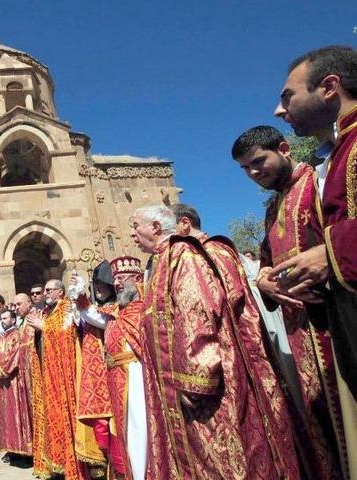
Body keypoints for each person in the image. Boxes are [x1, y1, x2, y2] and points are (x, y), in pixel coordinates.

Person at [130, 205, 301, 479]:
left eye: (135, 225)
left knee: (222, 458)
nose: (132, 234)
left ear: (156, 227)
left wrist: (196, 379)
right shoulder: (162, 261)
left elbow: (196, 310)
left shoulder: (182, 255)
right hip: (174, 392)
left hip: (200, 392)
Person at [232, 125, 347, 478]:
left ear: (284, 148)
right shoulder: (272, 209)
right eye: (246, 169)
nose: (253, 174)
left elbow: (342, 240)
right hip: (300, 335)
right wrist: (264, 280)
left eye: (258, 162)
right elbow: (266, 263)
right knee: (320, 423)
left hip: (334, 325)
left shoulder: (317, 183)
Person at [271, 46, 357, 477]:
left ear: (329, 87)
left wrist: (332, 251)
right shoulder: (336, 152)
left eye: (287, 97)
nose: (279, 108)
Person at [80, 258, 147, 480]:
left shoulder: (144, 309)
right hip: (118, 382)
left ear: (138, 279)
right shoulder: (117, 312)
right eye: (115, 279)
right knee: (126, 436)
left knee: (142, 435)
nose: (117, 283)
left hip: (139, 380)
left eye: (122, 278)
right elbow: (96, 317)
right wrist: (81, 301)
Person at [26, 278, 91, 479]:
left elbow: (67, 334)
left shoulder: (66, 308)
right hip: (50, 375)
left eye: (48, 290)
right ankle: (57, 462)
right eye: (44, 290)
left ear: (60, 292)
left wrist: (43, 326)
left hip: (64, 376)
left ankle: (71, 465)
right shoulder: (50, 311)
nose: (44, 293)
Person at [0, 309, 35, 466]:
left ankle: (24, 451)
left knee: (17, 414)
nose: (3, 321)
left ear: (13, 320)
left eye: (6, 318)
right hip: (1, 385)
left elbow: (17, 355)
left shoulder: (18, 335)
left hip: (14, 382)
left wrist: (4, 370)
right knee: (4, 416)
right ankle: (11, 449)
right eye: (1, 318)